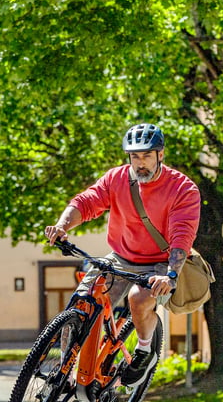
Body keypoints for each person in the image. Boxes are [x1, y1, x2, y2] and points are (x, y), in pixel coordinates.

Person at [45, 123, 201, 386]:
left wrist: (171, 275)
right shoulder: (117, 179)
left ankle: (143, 351)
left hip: (160, 263)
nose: (140, 163)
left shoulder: (182, 189)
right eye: (134, 156)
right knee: (81, 303)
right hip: (120, 257)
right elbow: (86, 202)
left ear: (160, 154)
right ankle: (65, 372)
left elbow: (181, 236)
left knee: (138, 298)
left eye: (147, 156)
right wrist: (62, 226)